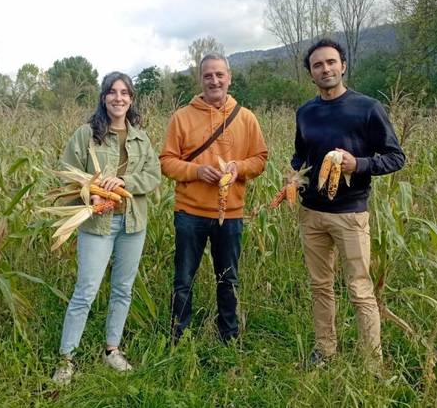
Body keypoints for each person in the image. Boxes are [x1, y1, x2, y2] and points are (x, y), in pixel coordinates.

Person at [291, 39, 405, 371]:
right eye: (317, 65)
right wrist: (292, 176)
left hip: (351, 214)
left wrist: (359, 165)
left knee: (359, 289)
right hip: (311, 213)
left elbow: (396, 157)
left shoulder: (367, 108)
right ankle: (325, 351)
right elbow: (301, 155)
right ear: (311, 74)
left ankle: (372, 363)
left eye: (331, 62)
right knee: (320, 286)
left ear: (343, 65)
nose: (325, 69)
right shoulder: (305, 112)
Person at [52, 72, 161, 385]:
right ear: (103, 98)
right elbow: (67, 175)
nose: (119, 98)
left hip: (133, 224)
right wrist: (91, 192)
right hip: (98, 225)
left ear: (132, 98)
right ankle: (66, 358)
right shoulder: (87, 135)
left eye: (125, 92)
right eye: (112, 92)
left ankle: (111, 350)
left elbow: (153, 176)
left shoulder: (141, 137)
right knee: (85, 291)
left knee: (122, 289)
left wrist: (125, 182)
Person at [160, 53, 268, 343]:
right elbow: (167, 162)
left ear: (229, 77)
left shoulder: (246, 118)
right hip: (190, 213)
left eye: (220, 75)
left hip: (230, 213)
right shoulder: (182, 117)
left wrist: (239, 168)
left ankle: (229, 337)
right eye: (208, 75)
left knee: (228, 279)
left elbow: (259, 159)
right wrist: (196, 171)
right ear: (201, 79)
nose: (214, 80)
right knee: (183, 280)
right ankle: (178, 337)